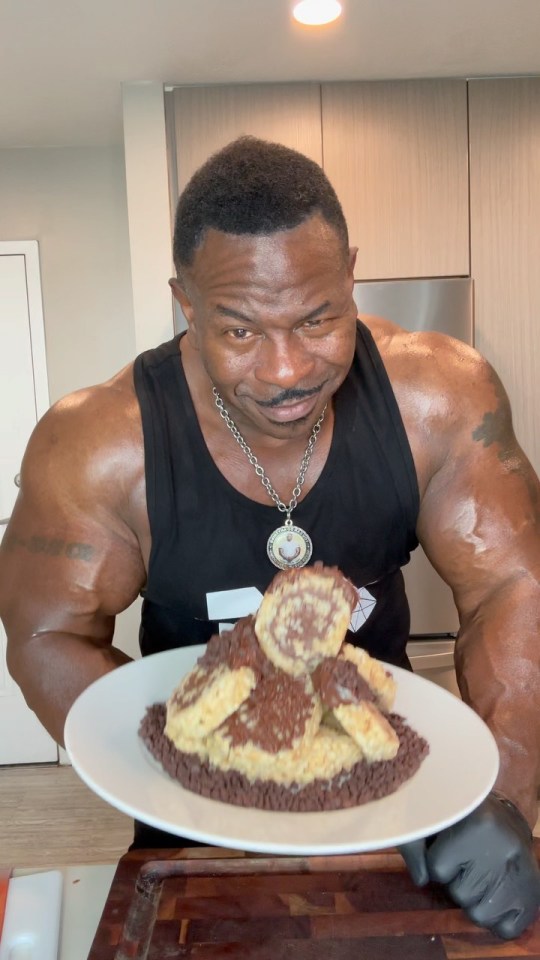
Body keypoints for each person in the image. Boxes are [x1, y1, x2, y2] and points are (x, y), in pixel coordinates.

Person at [0, 136, 538, 939]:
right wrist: (197, 776)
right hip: (194, 827)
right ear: (186, 302)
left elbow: (511, 588)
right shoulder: (99, 445)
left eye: (318, 317)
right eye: (242, 331)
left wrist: (501, 787)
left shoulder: (438, 395)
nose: (287, 369)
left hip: (394, 809)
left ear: (351, 273)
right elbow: (47, 634)